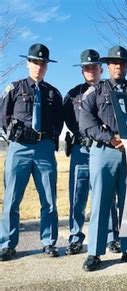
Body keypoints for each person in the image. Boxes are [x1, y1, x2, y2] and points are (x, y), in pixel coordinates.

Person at [79, 45, 127, 271]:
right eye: (114, 63)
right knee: (100, 203)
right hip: (104, 152)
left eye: (122, 63)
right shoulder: (96, 91)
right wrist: (110, 138)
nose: (118, 66)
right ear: (108, 66)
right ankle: (95, 252)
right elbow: (86, 122)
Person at [0, 43, 63, 260]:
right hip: (19, 148)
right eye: (35, 62)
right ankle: (7, 243)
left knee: (49, 199)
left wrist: (50, 138)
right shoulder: (14, 88)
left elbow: (58, 121)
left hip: (44, 148)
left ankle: (49, 242)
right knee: (12, 198)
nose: (39, 66)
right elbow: (3, 116)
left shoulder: (53, 93)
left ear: (47, 66)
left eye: (43, 63)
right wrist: (13, 135)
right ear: (28, 63)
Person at [63, 49, 121, 255]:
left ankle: (111, 237)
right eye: (86, 68)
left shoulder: (109, 90)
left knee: (107, 195)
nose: (90, 71)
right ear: (82, 71)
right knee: (78, 195)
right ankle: (76, 237)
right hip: (82, 147)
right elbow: (69, 120)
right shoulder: (72, 95)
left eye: (94, 67)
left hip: (104, 147)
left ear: (100, 69)